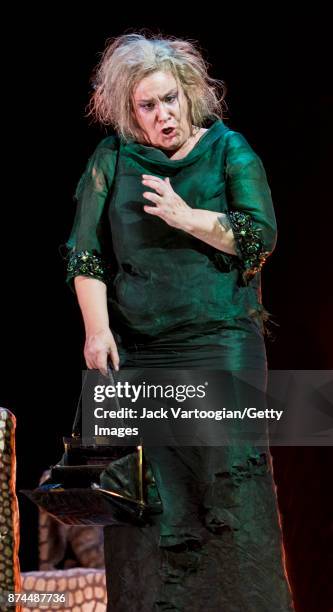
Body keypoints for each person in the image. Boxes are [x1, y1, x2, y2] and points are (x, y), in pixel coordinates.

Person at [66, 33, 295, 611]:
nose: (163, 114)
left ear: (191, 94)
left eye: (171, 99)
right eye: (148, 105)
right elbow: (85, 255)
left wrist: (186, 216)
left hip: (220, 343)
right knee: (148, 506)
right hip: (138, 353)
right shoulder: (112, 158)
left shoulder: (228, 149)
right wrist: (97, 330)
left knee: (226, 496)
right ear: (128, 109)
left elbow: (258, 238)